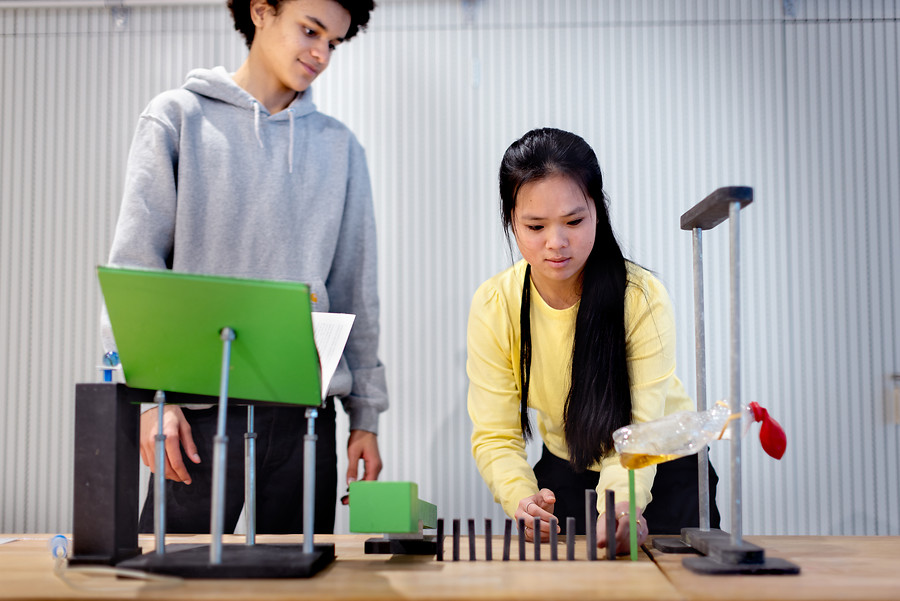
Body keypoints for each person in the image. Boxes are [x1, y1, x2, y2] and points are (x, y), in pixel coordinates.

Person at [101, 0, 387, 534]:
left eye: (335, 42)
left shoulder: (341, 150)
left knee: (301, 585)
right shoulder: (176, 117)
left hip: (306, 414)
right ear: (261, 11)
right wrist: (145, 401)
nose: (322, 53)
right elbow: (136, 270)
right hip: (193, 413)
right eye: (311, 30)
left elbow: (354, 290)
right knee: (173, 579)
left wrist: (365, 418)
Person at [466, 128, 719, 554]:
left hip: (661, 465)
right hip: (569, 467)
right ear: (511, 220)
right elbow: (496, 434)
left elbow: (641, 428)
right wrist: (522, 498)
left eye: (573, 221)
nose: (556, 243)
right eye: (534, 225)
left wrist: (623, 507)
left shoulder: (639, 296)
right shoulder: (495, 304)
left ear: (597, 212)